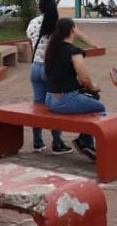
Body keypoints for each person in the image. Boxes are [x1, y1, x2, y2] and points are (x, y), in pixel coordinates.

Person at [44, 18, 104, 161]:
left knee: (91, 98)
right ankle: (85, 141)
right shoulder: (73, 52)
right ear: (72, 30)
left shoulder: (52, 49)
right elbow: (84, 78)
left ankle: (85, 140)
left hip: (50, 98)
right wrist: (93, 87)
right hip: (65, 100)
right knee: (100, 108)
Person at [25, 0, 73, 155]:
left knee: (38, 106)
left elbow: (30, 39)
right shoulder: (58, 25)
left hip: (35, 68)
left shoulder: (33, 23)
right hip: (50, 69)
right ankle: (57, 142)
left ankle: (37, 142)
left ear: (40, 7)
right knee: (54, 106)